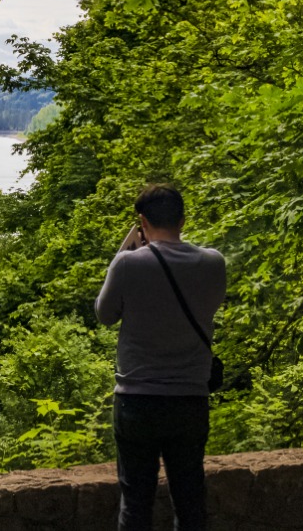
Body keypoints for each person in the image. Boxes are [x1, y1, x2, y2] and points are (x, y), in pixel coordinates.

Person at [95, 184, 227, 531]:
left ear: (141, 222)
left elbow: (105, 314)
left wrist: (125, 251)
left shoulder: (127, 264)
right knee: (189, 501)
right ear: (183, 220)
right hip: (189, 400)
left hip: (137, 401)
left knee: (136, 503)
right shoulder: (213, 263)